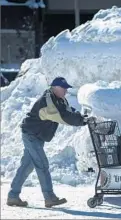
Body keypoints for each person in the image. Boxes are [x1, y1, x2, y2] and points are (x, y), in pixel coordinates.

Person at [7, 77, 92, 208]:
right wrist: (82, 121)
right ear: (55, 88)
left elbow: (68, 110)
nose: (66, 91)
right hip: (31, 135)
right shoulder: (48, 102)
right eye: (63, 88)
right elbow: (62, 116)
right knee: (42, 165)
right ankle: (49, 197)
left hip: (36, 135)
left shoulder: (57, 98)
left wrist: (82, 117)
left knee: (26, 166)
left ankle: (13, 196)